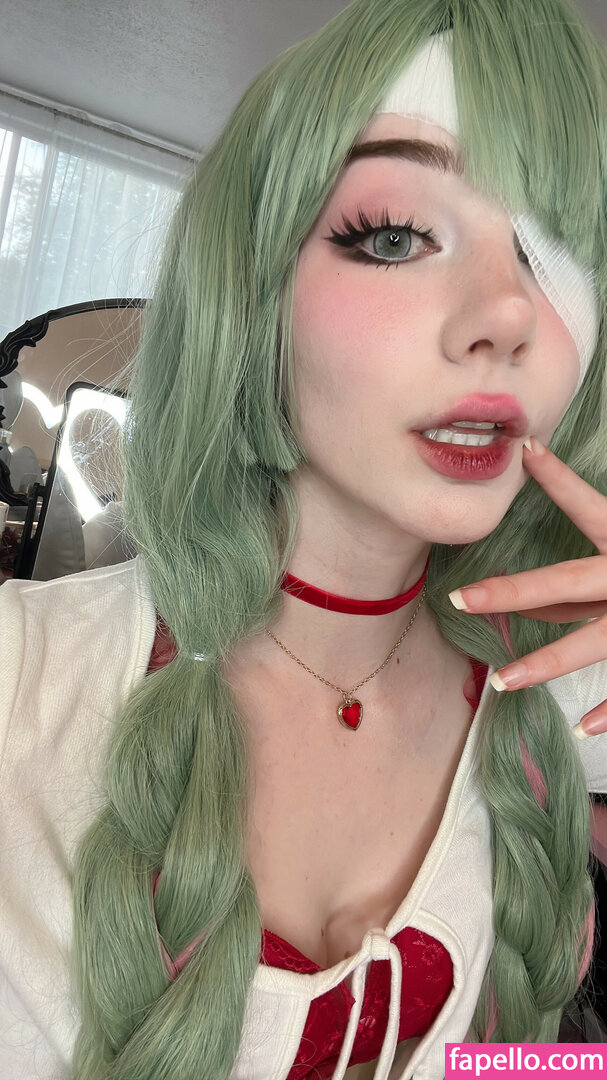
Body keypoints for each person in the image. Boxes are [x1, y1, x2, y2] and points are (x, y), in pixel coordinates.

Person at [1, 0, 606, 1077]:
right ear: (251, 289)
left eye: (554, 253)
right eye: (394, 235)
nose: (508, 314)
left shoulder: (559, 712)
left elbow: (538, 1065)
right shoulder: (18, 678)